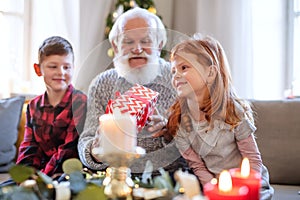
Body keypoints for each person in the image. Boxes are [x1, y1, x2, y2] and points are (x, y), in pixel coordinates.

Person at [78, 7, 187, 179]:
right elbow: (86, 140)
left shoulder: (178, 80)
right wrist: (95, 150)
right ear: (115, 46)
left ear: (159, 45)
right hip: (113, 177)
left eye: (146, 41)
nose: (137, 49)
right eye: (128, 42)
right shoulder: (102, 83)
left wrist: (170, 130)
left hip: (169, 177)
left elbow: (198, 141)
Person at [160, 34, 274, 199]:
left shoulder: (233, 111)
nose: (176, 75)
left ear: (210, 73)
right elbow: (197, 167)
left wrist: (246, 189)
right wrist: (214, 191)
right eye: (173, 71)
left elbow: (253, 159)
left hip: (250, 186)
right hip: (216, 188)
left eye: (184, 68)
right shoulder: (179, 123)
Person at [16, 36, 87, 177]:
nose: (61, 72)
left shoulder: (80, 102)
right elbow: (29, 147)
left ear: (74, 68)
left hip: (67, 173)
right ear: (38, 69)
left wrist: (42, 178)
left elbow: (69, 149)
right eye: (53, 66)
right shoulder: (33, 106)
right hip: (41, 174)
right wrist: (24, 177)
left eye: (66, 67)